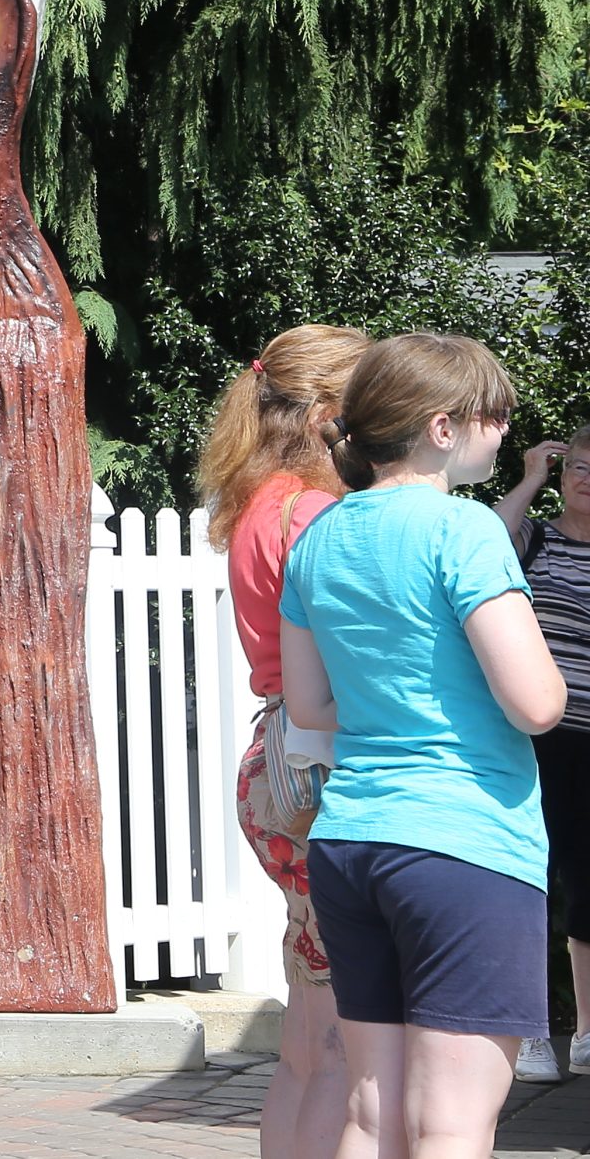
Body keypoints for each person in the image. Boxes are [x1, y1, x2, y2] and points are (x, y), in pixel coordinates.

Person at [280, 333, 566, 1159]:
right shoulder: (465, 529)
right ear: (443, 427)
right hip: (465, 843)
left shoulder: (319, 538)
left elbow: (309, 703)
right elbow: (538, 702)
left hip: (352, 839)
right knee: (450, 1123)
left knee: (371, 1112)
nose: (505, 430)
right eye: (495, 415)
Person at [195, 323, 367, 1159]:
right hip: (325, 766)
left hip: (280, 762)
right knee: (342, 1038)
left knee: (307, 1030)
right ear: (330, 411)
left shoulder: (261, 500)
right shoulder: (316, 514)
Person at [494, 424, 590, 1082]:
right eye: (578, 464)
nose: (586, 476)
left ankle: (586, 1032)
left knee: (588, 886)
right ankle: (528, 1032)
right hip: (539, 734)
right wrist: (528, 476)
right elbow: (489, 539)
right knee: (532, 875)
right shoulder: (538, 537)